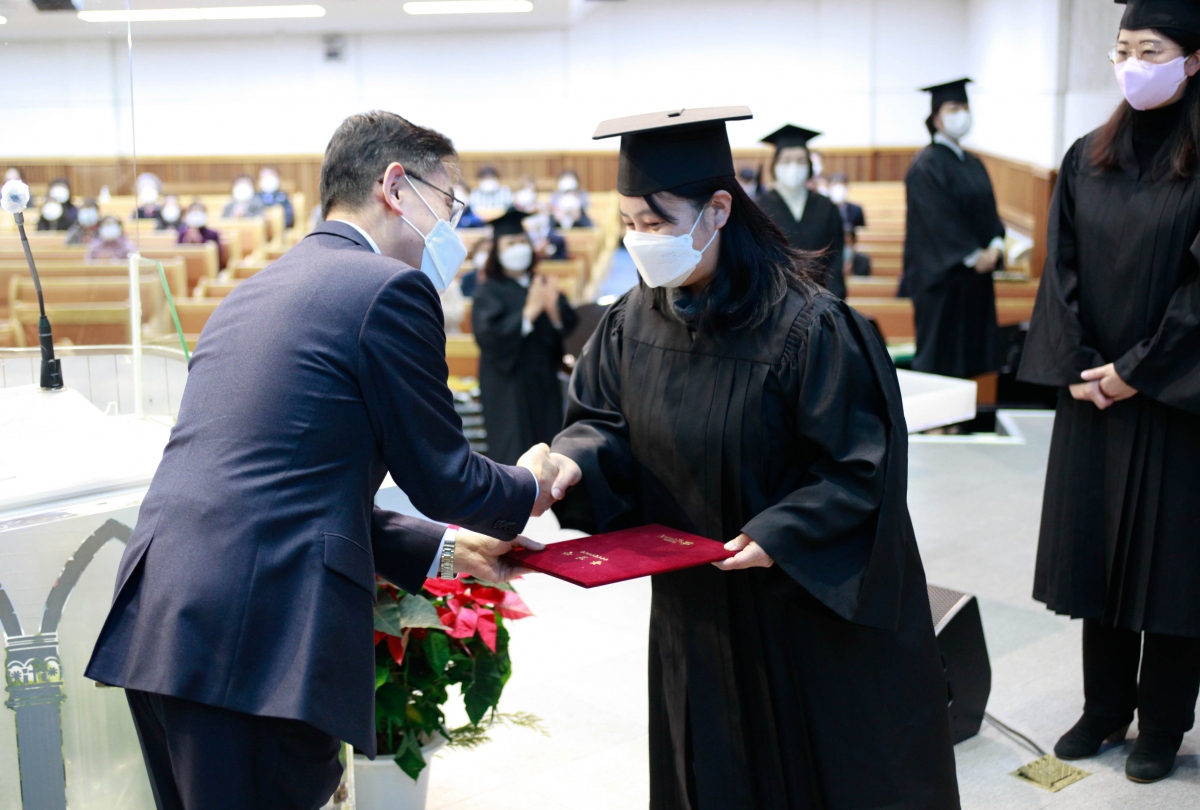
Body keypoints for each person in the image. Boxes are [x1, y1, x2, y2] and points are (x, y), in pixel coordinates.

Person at [85, 110, 564, 810]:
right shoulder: (388, 288)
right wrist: (531, 485)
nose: (451, 230)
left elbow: (284, 483)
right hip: (256, 639)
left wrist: (446, 551)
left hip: (167, 620)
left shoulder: (251, 291)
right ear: (395, 186)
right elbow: (444, 477)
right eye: (449, 204)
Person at [545, 106, 959, 809]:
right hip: (693, 609)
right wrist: (572, 459)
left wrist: (778, 533)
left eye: (657, 223)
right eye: (629, 224)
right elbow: (604, 422)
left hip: (794, 610)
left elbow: (859, 469)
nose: (641, 241)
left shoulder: (809, 326)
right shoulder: (629, 321)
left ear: (718, 210)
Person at [1017, 0, 1200, 784]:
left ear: (1193, 60)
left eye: (1150, 49)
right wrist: (1083, 365)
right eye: (1122, 48)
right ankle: (1103, 709)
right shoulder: (1086, 157)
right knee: (1099, 559)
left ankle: (1161, 725)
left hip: (1177, 400)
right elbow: (1058, 269)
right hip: (1095, 394)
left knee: (1176, 569)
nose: (1132, 64)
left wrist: (1138, 370)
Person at [904, 78, 1006, 382]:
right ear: (936, 118)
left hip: (975, 283)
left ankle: (964, 413)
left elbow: (991, 213)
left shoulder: (973, 162)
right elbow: (936, 220)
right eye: (953, 108)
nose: (961, 113)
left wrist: (996, 246)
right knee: (940, 363)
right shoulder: (926, 164)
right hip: (942, 282)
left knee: (971, 364)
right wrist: (973, 256)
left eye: (964, 106)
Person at [472, 209, 578, 466]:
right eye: (510, 243)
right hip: (507, 385)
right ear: (497, 251)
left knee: (549, 447)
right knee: (514, 454)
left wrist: (553, 313)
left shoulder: (541, 283)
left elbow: (566, 329)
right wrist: (528, 314)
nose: (518, 248)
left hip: (543, 379)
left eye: (522, 241)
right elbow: (488, 337)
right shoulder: (488, 291)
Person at [756, 125, 846, 299]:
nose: (794, 167)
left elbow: (836, 258)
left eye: (801, 160)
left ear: (809, 165)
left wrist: (830, 300)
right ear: (775, 165)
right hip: (775, 300)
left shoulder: (826, 207)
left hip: (824, 299)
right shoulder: (759, 208)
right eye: (786, 160)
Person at [177, 201, 228, 268]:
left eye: (199, 212)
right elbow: (177, 255)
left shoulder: (213, 234)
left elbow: (218, 259)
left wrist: (201, 241)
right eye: (193, 212)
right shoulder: (182, 233)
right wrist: (186, 241)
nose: (196, 216)